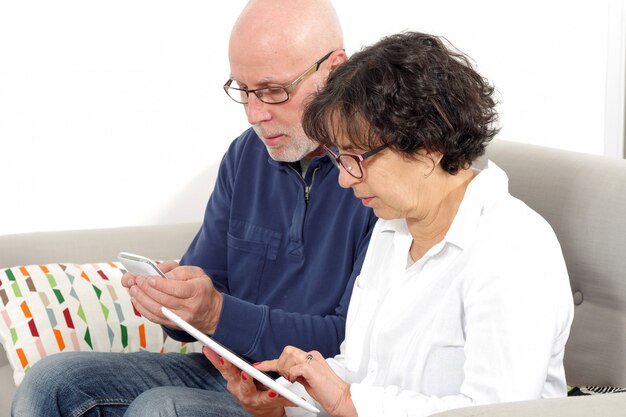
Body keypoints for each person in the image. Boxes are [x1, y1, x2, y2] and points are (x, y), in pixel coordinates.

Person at [11, 1, 376, 416]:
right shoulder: (245, 157)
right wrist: (173, 301)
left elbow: (353, 341)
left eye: (275, 91)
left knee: (160, 408)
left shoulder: (381, 173)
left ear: (334, 69)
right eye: (243, 90)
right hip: (225, 373)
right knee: (52, 382)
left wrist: (217, 313)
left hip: (309, 394)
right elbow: (204, 296)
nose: (255, 115)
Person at [205, 31, 574, 417]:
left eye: (356, 158)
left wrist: (348, 402)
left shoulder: (514, 249)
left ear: (428, 147)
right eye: (339, 158)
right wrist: (284, 399)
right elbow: (358, 368)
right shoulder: (392, 229)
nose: (345, 179)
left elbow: (495, 411)